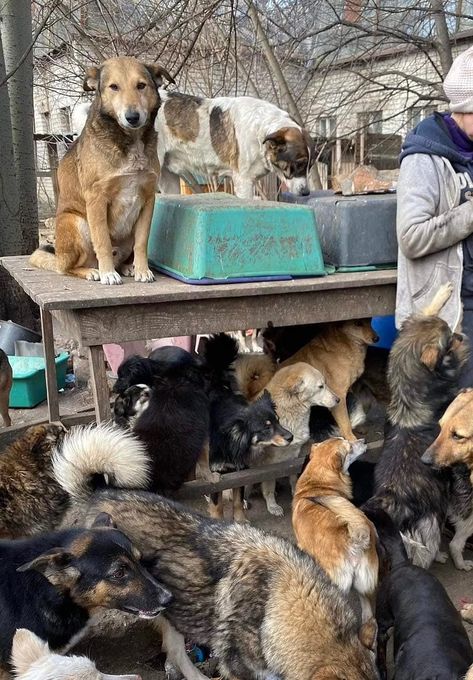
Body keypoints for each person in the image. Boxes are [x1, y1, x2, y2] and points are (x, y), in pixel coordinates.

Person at [397, 45, 473, 386]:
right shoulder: (423, 158)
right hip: (450, 312)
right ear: (465, 106)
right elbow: (411, 237)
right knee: (460, 417)